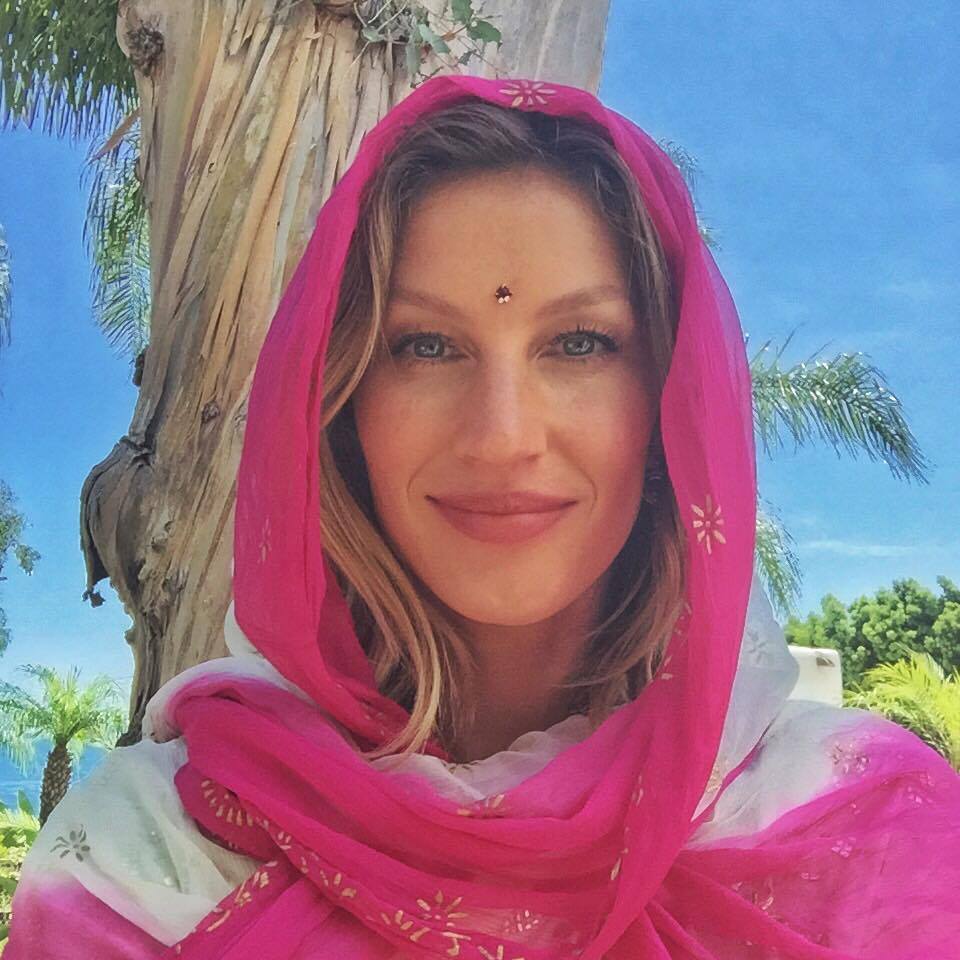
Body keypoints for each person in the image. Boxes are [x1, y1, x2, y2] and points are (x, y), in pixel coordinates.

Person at [6, 74, 959, 959]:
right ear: (339, 410)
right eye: (425, 346)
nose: (503, 437)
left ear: (671, 401)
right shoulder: (153, 863)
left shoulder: (868, 833)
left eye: (578, 343)